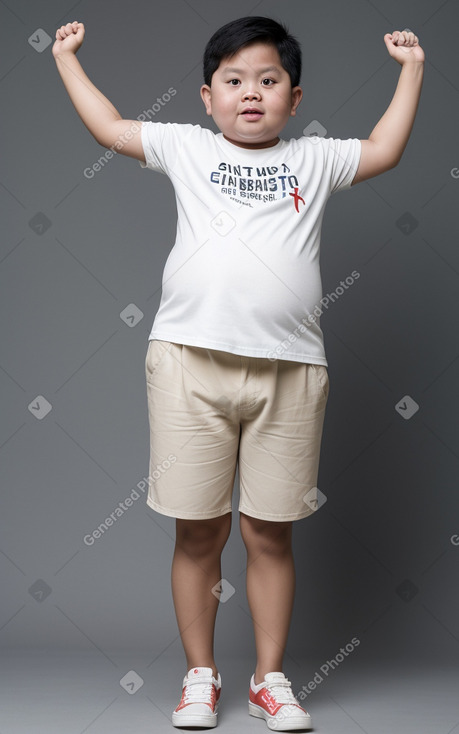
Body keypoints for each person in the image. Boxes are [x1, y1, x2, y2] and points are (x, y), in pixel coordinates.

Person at [53, 15, 424, 731]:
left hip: (290, 372)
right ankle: (200, 676)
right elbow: (108, 127)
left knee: (268, 532)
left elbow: (383, 149)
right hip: (189, 364)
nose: (249, 93)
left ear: (293, 96)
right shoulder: (186, 149)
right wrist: (66, 58)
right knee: (197, 532)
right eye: (232, 81)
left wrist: (410, 69)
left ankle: (268, 679)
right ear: (205, 95)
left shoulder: (312, 160)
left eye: (267, 80)